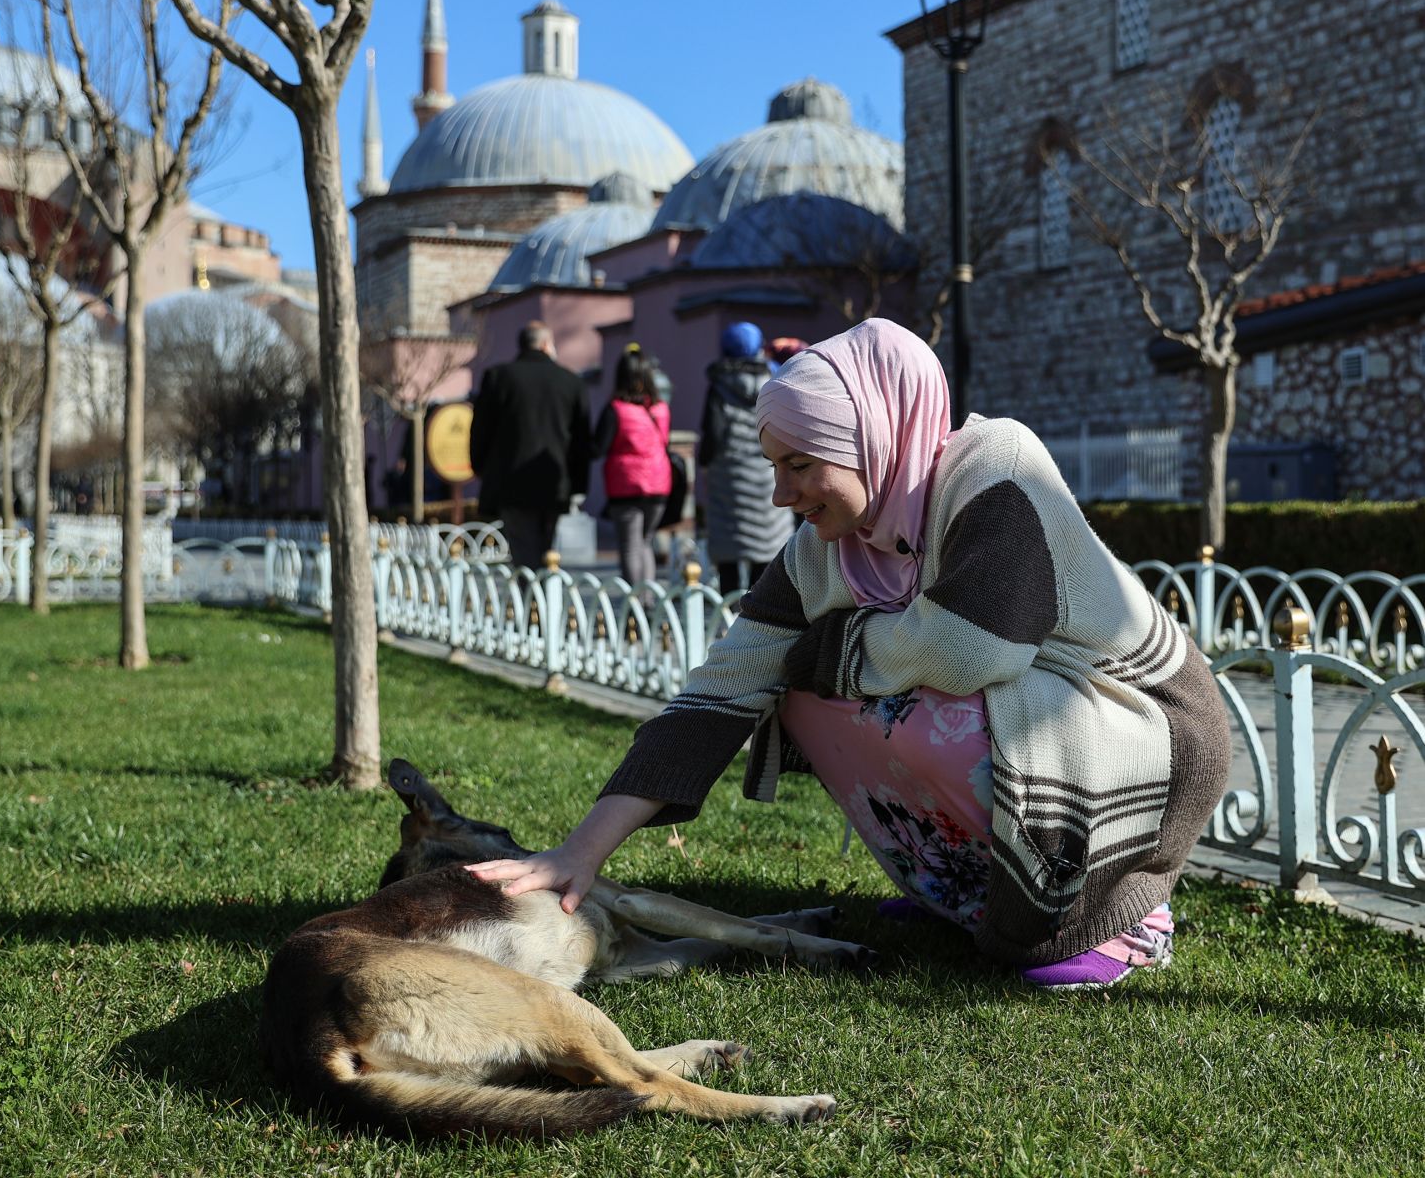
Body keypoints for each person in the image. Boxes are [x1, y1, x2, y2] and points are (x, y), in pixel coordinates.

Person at [470, 318, 1231, 992]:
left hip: (1146, 727)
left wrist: (834, 649)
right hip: (1050, 719)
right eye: (773, 467)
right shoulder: (828, 549)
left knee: (909, 699)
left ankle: (1124, 917)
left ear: (868, 436)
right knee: (804, 691)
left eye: (800, 465)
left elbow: (972, 651)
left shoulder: (995, 466)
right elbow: (720, 689)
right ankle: (971, 899)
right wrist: (578, 852)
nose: (780, 495)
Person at [469, 322, 592, 569]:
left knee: (523, 550)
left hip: (511, 481)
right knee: (547, 547)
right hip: (555, 481)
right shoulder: (570, 381)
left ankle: (532, 601)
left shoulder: (498, 378)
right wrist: (577, 484)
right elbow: (581, 441)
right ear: (547, 344)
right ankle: (543, 599)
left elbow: (481, 430)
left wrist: (481, 468)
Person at [699, 322, 795, 593]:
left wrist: (705, 462)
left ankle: (727, 612)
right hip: (767, 473)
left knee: (730, 549)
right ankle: (760, 612)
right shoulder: (774, 379)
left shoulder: (718, 385)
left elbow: (713, 434)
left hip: (729, 477)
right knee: (765, 547)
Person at [592, 349, 672, 587]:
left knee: (629, 545)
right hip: (659, 484)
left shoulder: (615, 409)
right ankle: (648, 600)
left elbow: (598, 448)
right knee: (645, 541)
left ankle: (635, 605)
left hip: (626, 486)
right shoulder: (661, 408)